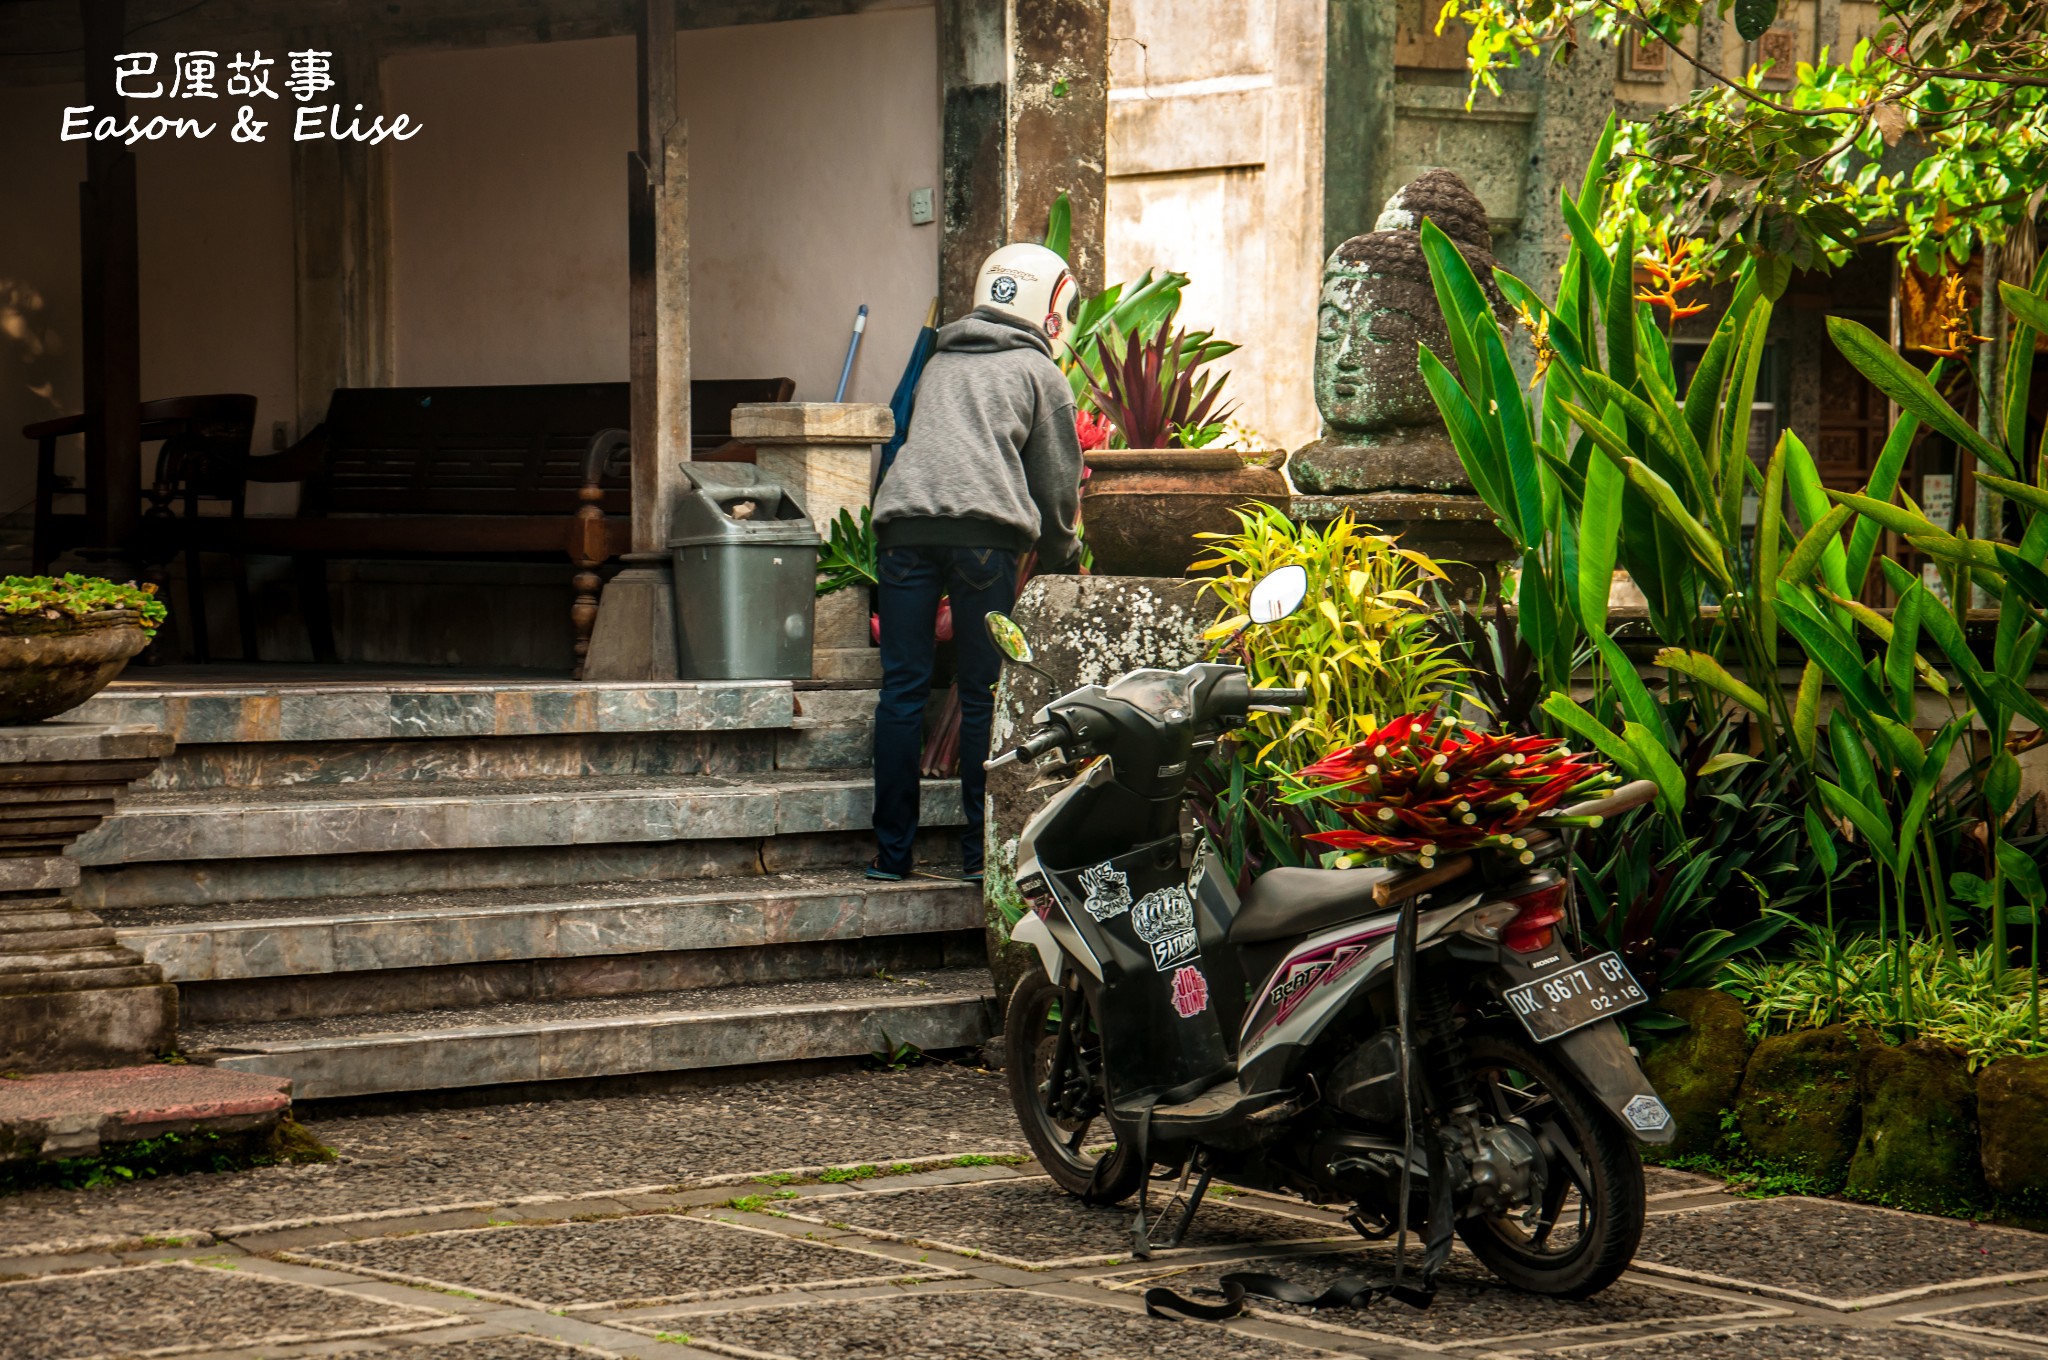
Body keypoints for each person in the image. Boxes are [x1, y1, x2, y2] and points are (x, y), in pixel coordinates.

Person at [868, 242, 1085, 882]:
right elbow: (1056, 482)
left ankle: (892, 856)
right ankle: (977, 855)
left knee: (901, 690)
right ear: (1053, 307)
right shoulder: (1040, 374)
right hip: (984, 538)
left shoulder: (939, 359)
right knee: (980, 691)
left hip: (903, 529)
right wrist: (1061, 556)